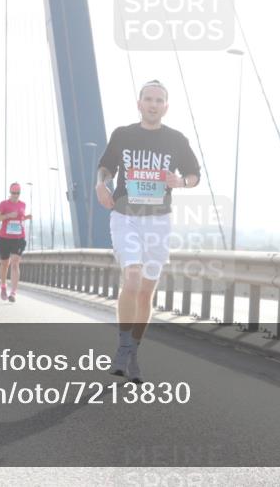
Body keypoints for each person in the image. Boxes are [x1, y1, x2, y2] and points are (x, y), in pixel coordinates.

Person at [95, 80, 200, 383]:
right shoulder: (123, 134)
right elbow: (106, 167)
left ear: (166, 106)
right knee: (132, 276)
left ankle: (133, 353)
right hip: (126, 215)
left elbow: (195, 174)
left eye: (159, 100)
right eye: (148, 99)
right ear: (138, 103)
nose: (153, 104)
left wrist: (181, 182)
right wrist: (101, 184)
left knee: (146, 290)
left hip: (159, 220)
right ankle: (122, 348)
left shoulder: (177, 140)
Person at [0, 183, 32, 303]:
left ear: (20, 193)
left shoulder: (23, 204)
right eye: (13, 193)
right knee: (5, 264)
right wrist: (8, 215)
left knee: (15, 263)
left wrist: (26, 217)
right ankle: (3, 287)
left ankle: (13, 292)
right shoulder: (3, 204)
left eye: (17, 193)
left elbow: (19, 218)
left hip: (19, 238)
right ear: (10, 192)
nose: (15, 195)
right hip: (5, 238)